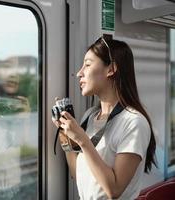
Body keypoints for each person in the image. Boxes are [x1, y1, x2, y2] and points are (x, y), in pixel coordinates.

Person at [52, 36, 156, 199]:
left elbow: (114, 190)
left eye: (87, 65)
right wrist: (65, 134)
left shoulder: (134, 122)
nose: (79, 73)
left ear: (111, 69)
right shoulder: (90, 116)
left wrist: (82, 139)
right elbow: (77, 174)